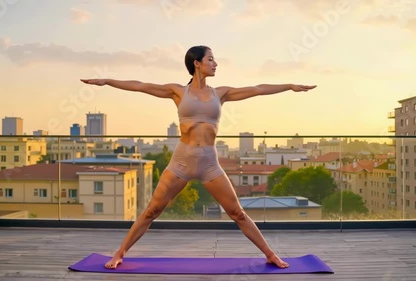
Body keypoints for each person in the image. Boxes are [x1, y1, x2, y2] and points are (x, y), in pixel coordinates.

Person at [80, 45, 317, 269]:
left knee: (237, 213)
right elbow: (140, 85)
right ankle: (119, 253)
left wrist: (289, 85)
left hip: (209, 164)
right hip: (182, 161)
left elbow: (257, 89)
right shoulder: (177, 91)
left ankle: (270, 254)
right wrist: (107, 81)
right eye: (210, 59)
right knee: (152, 210)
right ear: (197, 63)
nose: (215, 63)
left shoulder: (220, 93)